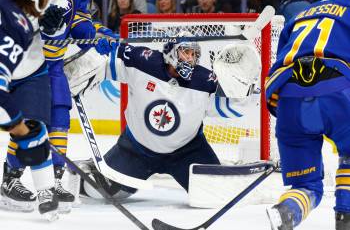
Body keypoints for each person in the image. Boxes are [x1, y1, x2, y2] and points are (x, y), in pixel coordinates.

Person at [65, 31, 261, 199]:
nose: (190, 58)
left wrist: (245, 90)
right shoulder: (143, 61)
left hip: (187, 152)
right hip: (135, 150)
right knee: (103, 192)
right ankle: (80, 175)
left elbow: (232, 108)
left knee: (216, 193)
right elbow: (106, 63)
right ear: (171, 51)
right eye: (186, 52)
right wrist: (83, 66)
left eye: (194, 54)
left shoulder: (204, 82)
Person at [265, 0, 350, 229]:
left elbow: (282, 56)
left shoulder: (301, 14)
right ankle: (346, 221)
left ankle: (286, 212)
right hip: (336, 91)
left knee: (307, 186)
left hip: (289, 97)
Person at [40, 0, 116, 212]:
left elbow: (81, 24)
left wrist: (94, 34)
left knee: (60, 117)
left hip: (53, 67)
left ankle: (55, 180)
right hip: (28, 66)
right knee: (29, 124)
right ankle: (11, 177)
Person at [0, 0, 65, 220]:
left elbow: (58, 31)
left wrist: (54, 27)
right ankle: (10, 180)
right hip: (5, 70)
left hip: (31, 71)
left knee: (34, 127)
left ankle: (45, 190)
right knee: (26, 131)